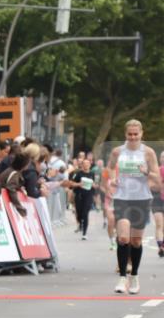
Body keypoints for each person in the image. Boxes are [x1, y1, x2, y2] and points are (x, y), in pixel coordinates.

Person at [107, 119, 161, 294]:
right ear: (125, 134)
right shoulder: (117, 152)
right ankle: (122, 278)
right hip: (122, 197)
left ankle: (134, 276)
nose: (132, 137)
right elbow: (109, 170)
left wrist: (146, 172)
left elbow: (157, 180)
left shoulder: (149, 153)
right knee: (123, 238)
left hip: (142, 199)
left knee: (136, 241)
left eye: (135, 134)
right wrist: (112, 180)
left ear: (141, 134)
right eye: (129, 134)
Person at [66, 157, 96, 240]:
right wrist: (79, 184)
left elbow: (96, 184)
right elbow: (71, 183)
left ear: (90, 165)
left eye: (88, 164)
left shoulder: (92, 173)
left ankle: (84, 233)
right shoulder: (78, 173)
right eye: (84, 164)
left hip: (89, 195)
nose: (86, 165)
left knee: (85, 213)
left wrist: (94, 185)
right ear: (82, 165)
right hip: (79, 194)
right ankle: (80, 222)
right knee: (79, 213)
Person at [155, 151, 164, 257]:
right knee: (159, 224)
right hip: (157, 199)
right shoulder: (155, 170)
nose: (163, 158)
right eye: (162, 156)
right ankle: (161, 246)